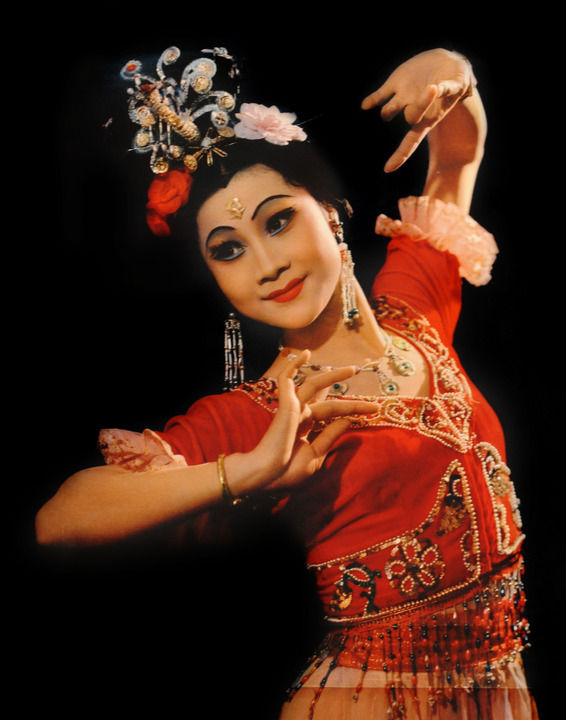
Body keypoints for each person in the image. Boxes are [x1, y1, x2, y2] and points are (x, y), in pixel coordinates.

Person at [35, 45, 538, 719]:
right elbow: (59, 520)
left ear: (328, 212)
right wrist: (247, 470)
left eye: (278, 221)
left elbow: (453, 161)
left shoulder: (417, 313)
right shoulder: (263, 418)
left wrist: (455, 71)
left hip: (498, 688)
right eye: (229, 250)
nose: (267, 264)